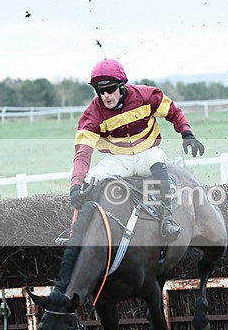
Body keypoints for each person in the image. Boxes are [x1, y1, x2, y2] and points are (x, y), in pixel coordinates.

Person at [69, 58, 205, 239]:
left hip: (146, 155)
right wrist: (76, 185)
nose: (106, 96)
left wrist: (187, 133)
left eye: (111, 89)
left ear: (122, 86)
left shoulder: (146, 96)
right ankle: (75, 236)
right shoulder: (92, 114)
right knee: (88, 183)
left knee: (156, 155)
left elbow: (173, 112)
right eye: (100, 91)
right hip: (119, 160)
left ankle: (168, 219)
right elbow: (82, 153)